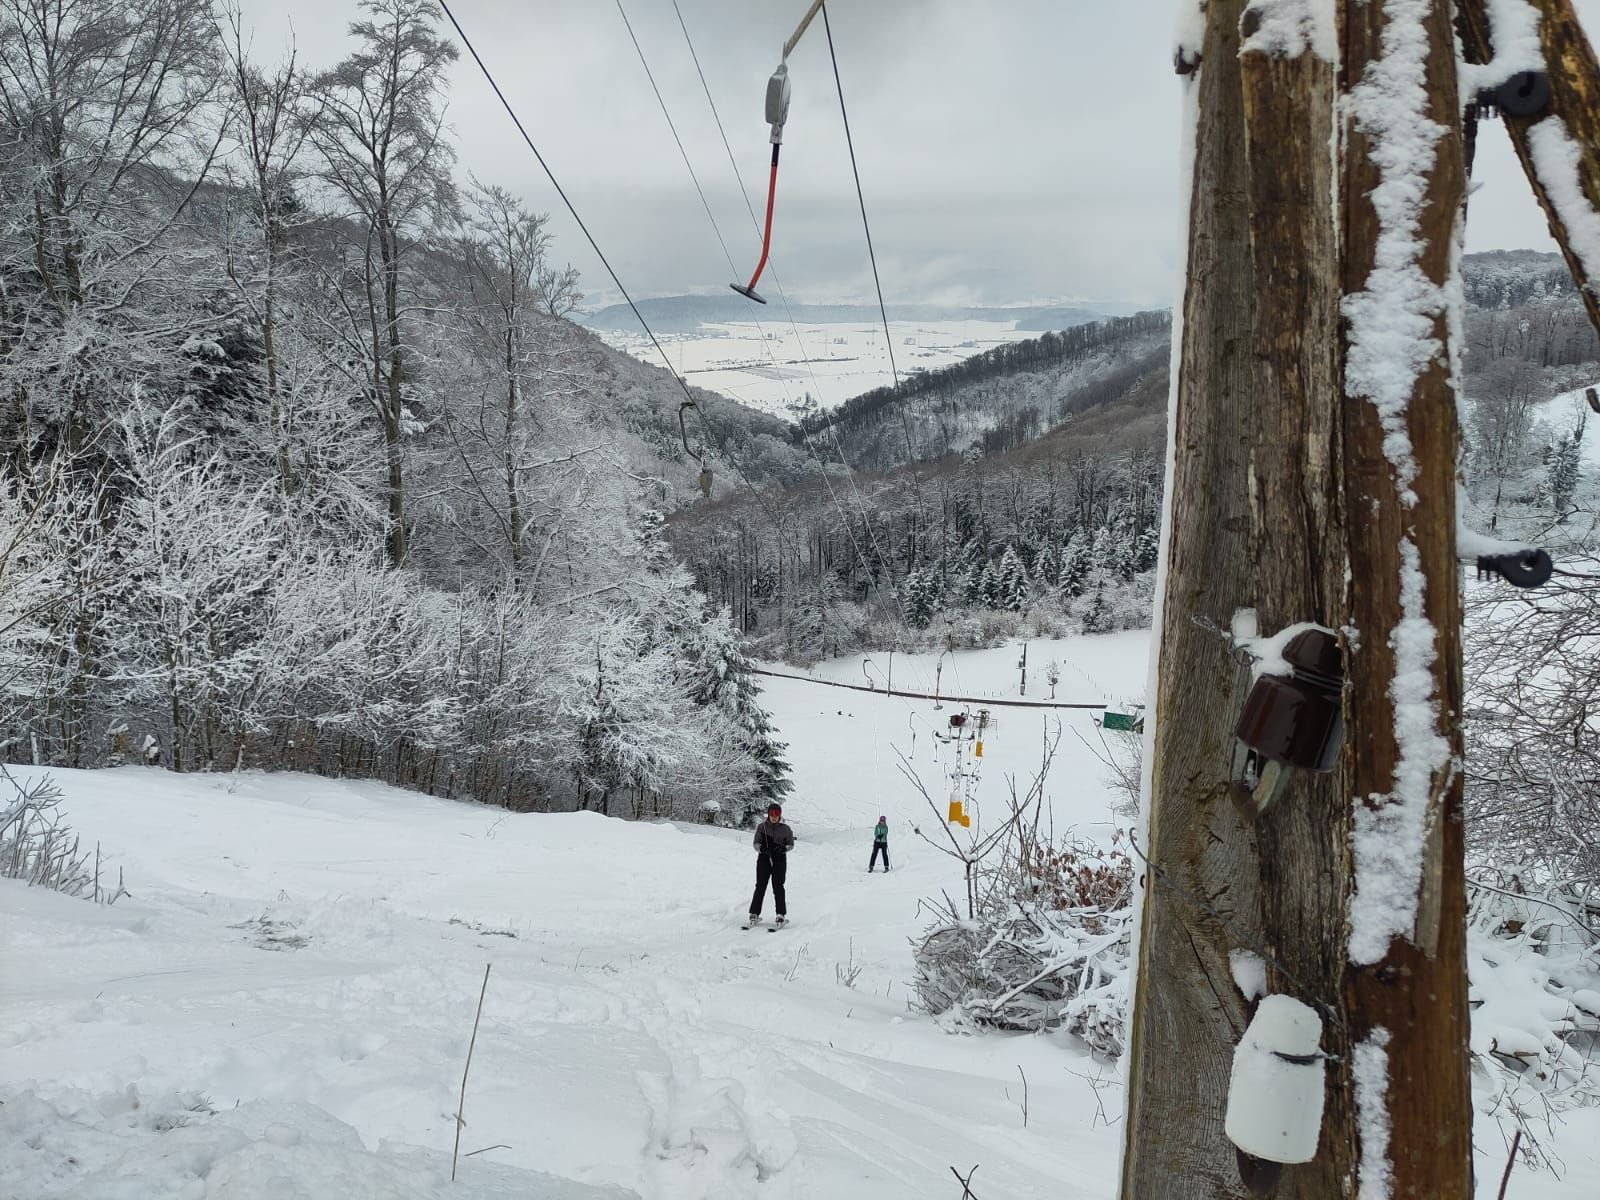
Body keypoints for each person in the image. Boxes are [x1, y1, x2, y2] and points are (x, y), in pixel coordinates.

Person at [747, 803, 794, 927]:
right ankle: (754, 913)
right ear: (768, 814)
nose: (774, 816)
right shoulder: (762, 827)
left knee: (778, 885)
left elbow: (790, 844)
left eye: (776, 814)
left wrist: (783, 849)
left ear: (779, 815)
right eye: (771, 814)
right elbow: (756, 843)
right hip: (764, 859)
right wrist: (762, 849)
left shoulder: (786, 829)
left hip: (779, 860)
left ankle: (780, 915)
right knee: (760, 885)